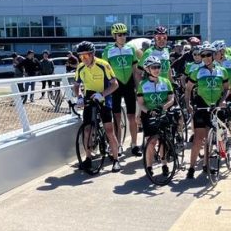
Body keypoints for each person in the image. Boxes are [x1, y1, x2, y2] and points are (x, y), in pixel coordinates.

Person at [72, 41, 122, 172]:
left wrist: (102, 94)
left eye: (86, 56)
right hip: (89, 96)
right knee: (87, 130)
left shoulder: (103, 65)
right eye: (81, 56)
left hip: (104, 96)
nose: (83, 59)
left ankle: (116, 159)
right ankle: (88, 158)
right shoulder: (80, 67)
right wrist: (79, 97)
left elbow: (115, 84)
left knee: (109, 130)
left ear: (92, 54)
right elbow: (76, 85)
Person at [185, 42, 228, 178]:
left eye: (209, 54)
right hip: (201, 106)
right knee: (198, 139)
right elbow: (188, 89)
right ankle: (191, 167)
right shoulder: (197, 72)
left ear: (214, 55)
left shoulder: (222, 71)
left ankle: (206, 165)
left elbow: (226, 89)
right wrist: (188, 104)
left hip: (215, 107)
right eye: (203, 55)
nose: (206, 58)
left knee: (211, 138)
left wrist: (223, 100)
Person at [103, 22, 141, 156]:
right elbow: (104, 72)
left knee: (132, 117)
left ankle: (134, 144)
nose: (123, 37)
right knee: (117, 117)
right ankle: (118, 145)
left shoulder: (131, 49)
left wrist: (138, 88)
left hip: (128, 84)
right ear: (114, 36)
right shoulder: (108, 50)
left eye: (124, 34)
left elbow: (135, 71)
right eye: (119, 35)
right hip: (115, 86)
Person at [136, 55, 175, 177]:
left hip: (162, 113)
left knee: (163, 141)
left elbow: (171, 99)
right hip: (149, 115)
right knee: (151, 142)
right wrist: (147, 112)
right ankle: (149, 165)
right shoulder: (143, 84)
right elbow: (140, 103)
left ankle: (164, 164)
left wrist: (163, 107)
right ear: (147, 69)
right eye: (153, 67)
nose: (157, 69)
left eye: (158, 67)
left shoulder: (166, 82)